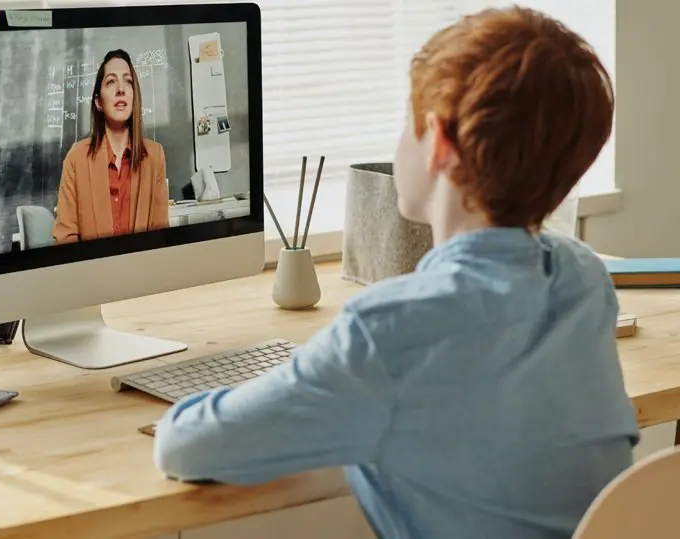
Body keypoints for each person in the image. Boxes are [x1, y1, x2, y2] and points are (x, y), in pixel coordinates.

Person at [152, 7, 639, 539]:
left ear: (439, 143)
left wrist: (293, 384)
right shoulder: (584, 281)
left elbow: (185, 446)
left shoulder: (390, 331)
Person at [52, 49, 169, 244]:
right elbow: (66, 238)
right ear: (98, 102)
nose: (121, 89)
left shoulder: (155, 156)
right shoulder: (76, 158)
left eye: (128, 81)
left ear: (134, 96)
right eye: (111, 81)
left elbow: (160, 235)